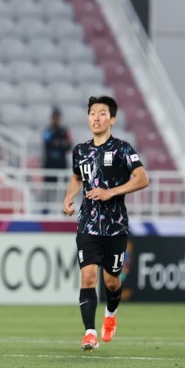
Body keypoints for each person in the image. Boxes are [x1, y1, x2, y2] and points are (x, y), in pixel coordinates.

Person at [62, 95, 149, 351]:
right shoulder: (80, 150)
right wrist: (69, 197)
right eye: (92, 113)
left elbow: (142, 178)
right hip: (87, 224)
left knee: (112, 282)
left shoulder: (122, 149)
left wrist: (110, 192)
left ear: (112, 120)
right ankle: (89, 333)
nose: (96, 118)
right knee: (88, 277)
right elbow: (77, 177)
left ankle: (110, 315)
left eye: (102, 114)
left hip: (115, 226)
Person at [42, 107, 72, 212]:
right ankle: (46, 209)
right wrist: (60, 144)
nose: (56, 119)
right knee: (48, 188)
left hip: (61, 164)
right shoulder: (48, 130)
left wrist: (57, 144)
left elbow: (69, 145)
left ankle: (65, 209)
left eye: (57, 117)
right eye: (54, 117)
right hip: (49, 164)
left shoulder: (64, 131)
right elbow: (47, 144)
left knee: (63, 188)